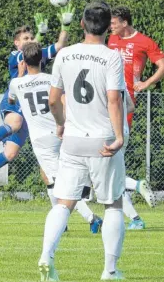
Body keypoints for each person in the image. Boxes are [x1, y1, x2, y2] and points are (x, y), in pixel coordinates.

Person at [38, 1, 126, 281]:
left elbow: (53, 100)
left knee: (64, 203)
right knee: (112, 205)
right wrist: (120, 136)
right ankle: (109, 271)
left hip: (73, 140)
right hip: (103, 142)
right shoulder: (112, 57)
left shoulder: (64, 55)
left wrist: (61, 124)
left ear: (82, 25)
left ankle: (46, 256)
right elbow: (114, 99)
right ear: (108, 27)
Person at [0, 5, 74, 200]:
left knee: (11, 155)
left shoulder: (38, 56)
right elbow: (30, 51)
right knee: (15, 123)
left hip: (31, 112)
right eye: (25, 39)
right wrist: (39, 33)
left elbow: (60, 45)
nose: (29, 41)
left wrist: (66, 25)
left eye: (31, 38)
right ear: (16, 43)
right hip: (13, 102)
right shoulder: (16, 56)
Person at [8, 42, 103, 233]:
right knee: (49, 178)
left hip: (41, 140)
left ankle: (92, 218)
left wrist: (20, 74)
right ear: (42, 60)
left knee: (60, 184)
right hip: (61, 131)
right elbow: (64, 101)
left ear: (24, 62)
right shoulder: (52, 79)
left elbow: (11, 100)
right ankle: (62, 222)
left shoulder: (16, 83)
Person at [108, 6, 164, 229]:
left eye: (114, 22)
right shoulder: (111, 40)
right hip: (109, 100)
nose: (111, 26)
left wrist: (145, 83)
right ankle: (135, 218)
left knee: (109, 168)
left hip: (124, 105)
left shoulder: (144, 42)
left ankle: (135, 188)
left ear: (125, 22)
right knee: (111, 167)